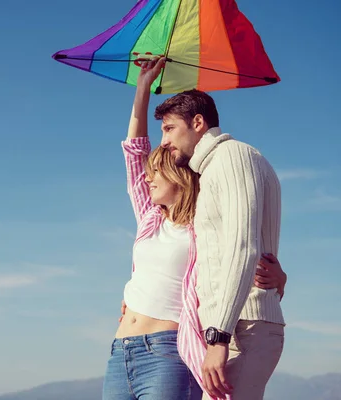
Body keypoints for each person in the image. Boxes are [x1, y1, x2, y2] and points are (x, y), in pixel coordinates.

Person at [101, 57, 287, 400]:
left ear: (177, 178)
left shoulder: (200, 227)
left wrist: (276, 273)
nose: (146, 178)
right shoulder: (150, 220)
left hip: (168, 348)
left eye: (156, 172)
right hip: (121, 350)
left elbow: (236, 247)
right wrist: (142, 88)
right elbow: (133, 153)